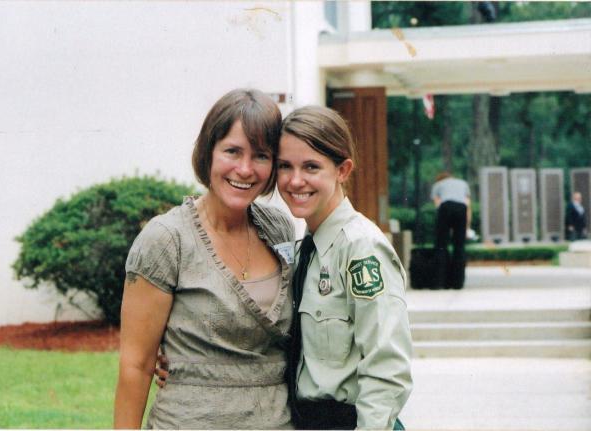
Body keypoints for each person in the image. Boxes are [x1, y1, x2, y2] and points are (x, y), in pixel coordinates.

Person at [114, 88, 296, 429]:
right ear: (208, 152)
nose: (245, 169)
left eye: (261, 155)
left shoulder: (279, 229)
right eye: (232, 151)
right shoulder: (166, 239)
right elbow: (136, 365)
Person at [278, 106, 412, 430]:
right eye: (285, 166)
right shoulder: (304, 250)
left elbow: (387, 367)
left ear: (342, 170)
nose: (296, 180)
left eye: (311, 166)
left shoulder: (361, 248)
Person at [430, 171, 471, 290]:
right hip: (461, 208)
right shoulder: (463, 183)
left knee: (441, 245)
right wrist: (466, 226)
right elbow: (467, 205)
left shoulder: (437, 185)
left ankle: (440, 282)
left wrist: (443, 223)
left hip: (445, 207)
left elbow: (438, 204)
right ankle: (458, 283)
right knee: (459, 246)